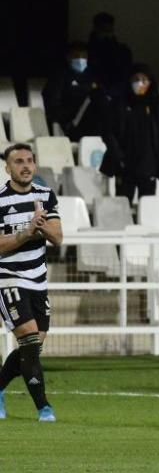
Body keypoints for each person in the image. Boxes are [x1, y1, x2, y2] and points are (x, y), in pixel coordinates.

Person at [0, 143, 62, 422]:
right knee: (29, 336)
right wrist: (27, 231)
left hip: (38, 279)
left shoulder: (46, 195)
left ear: (35, 165)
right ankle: (43, 407)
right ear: (7, 168)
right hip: (7, 277)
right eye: (18, 162)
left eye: (29, 161)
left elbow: (58, 237)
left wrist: (42, 225)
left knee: (33, 347)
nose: (24, 166)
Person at [101, 64, 159, 203]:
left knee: (148, 208)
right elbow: (107, 132)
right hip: (125, 165)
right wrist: (119, 157)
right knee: (122, 207)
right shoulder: (118, 103)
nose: (140, 83)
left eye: (144, 79)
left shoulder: (157, 106)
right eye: (136, 79)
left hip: (148, 166)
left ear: (150, 82)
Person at [41, 41, 110, 142]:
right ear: (68, 58)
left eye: (84, 57)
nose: (81, 60)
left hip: (92, 123)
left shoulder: (92, 77)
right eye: (77, 56)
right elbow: (52, 104)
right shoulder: (59, 77)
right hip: (71, 124)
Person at [88, 12, 133, 94]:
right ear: (95, 30)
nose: (106, 34)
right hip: (94, 95)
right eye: (102, 30)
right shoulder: (86, 52)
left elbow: (125, 75)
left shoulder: (123, 51)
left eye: (109, 30)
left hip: (117, 95)